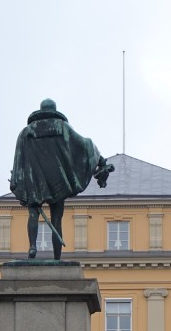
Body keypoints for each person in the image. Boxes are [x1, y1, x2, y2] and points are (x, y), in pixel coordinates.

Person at [9, 99, 113, 260]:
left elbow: (18, 159)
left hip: (35, 179)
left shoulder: (25, 132)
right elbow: (84, 145)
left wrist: (17, 183)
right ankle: (57, 257)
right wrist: (101, 161)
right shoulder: (62, 127)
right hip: (57, 179)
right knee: (57, 218)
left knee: (33, 213)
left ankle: (32, 246)